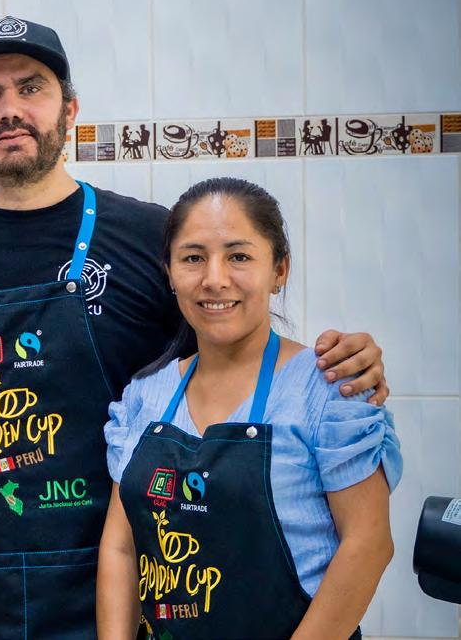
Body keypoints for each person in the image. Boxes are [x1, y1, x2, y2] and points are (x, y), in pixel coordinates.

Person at [0, 16, 390, 638]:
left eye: (31, 88)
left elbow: (236, 352)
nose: (10, 109)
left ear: (70, 110)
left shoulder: (148, 238)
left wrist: (340, 366)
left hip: (135, 595)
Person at [97, 177, 399, 638]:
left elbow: (368, 544)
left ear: (279, 270)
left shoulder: (328, 389)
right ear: (170, 273)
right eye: (193, 258)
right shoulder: (145, 396)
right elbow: (121, 549)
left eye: (239, 256)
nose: (215, 279)